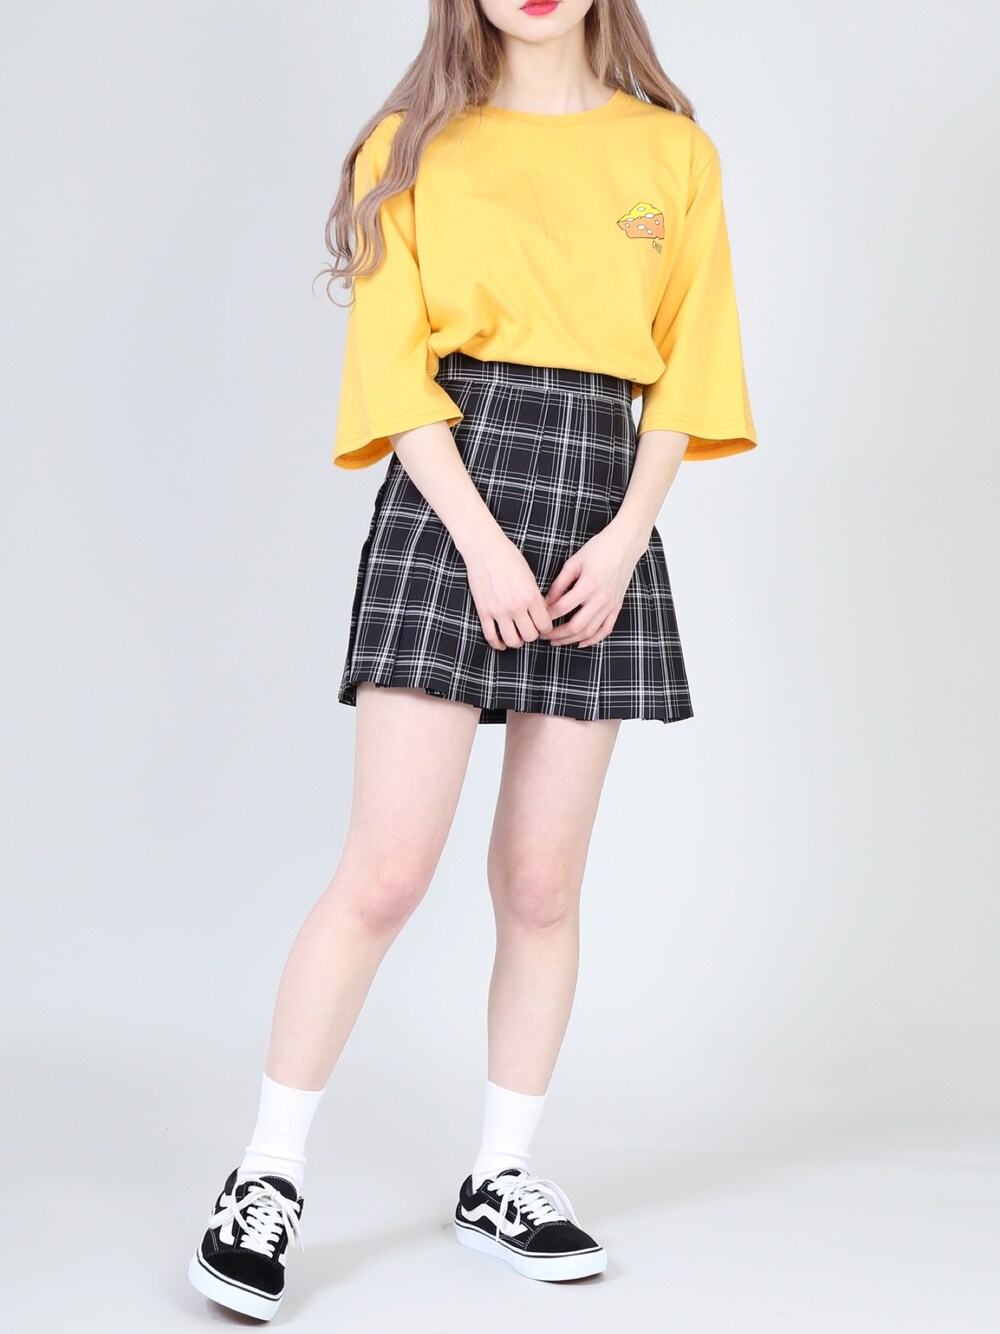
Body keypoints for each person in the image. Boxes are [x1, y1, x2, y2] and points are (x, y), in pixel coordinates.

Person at [187, 0, 757, 1320]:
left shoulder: (672, 153)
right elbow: (393, 370)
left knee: (542, 884)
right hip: (452, 499)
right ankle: (267, 1174)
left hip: (600, 508)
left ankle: (502, 1174)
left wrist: (627, 536)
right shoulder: (410, 145)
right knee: (386, 871)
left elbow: (691, 366)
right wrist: (484, 543)